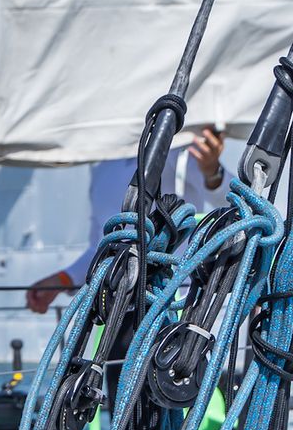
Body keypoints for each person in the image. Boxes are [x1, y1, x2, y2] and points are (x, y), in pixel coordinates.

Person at [24, 126, 227, 313]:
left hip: (176, 303)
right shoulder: (104, 167)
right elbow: (101, 249)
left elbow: (232, 199)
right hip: (118, 306)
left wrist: (213, 173)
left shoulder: (178, 149)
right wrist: (62, 279)